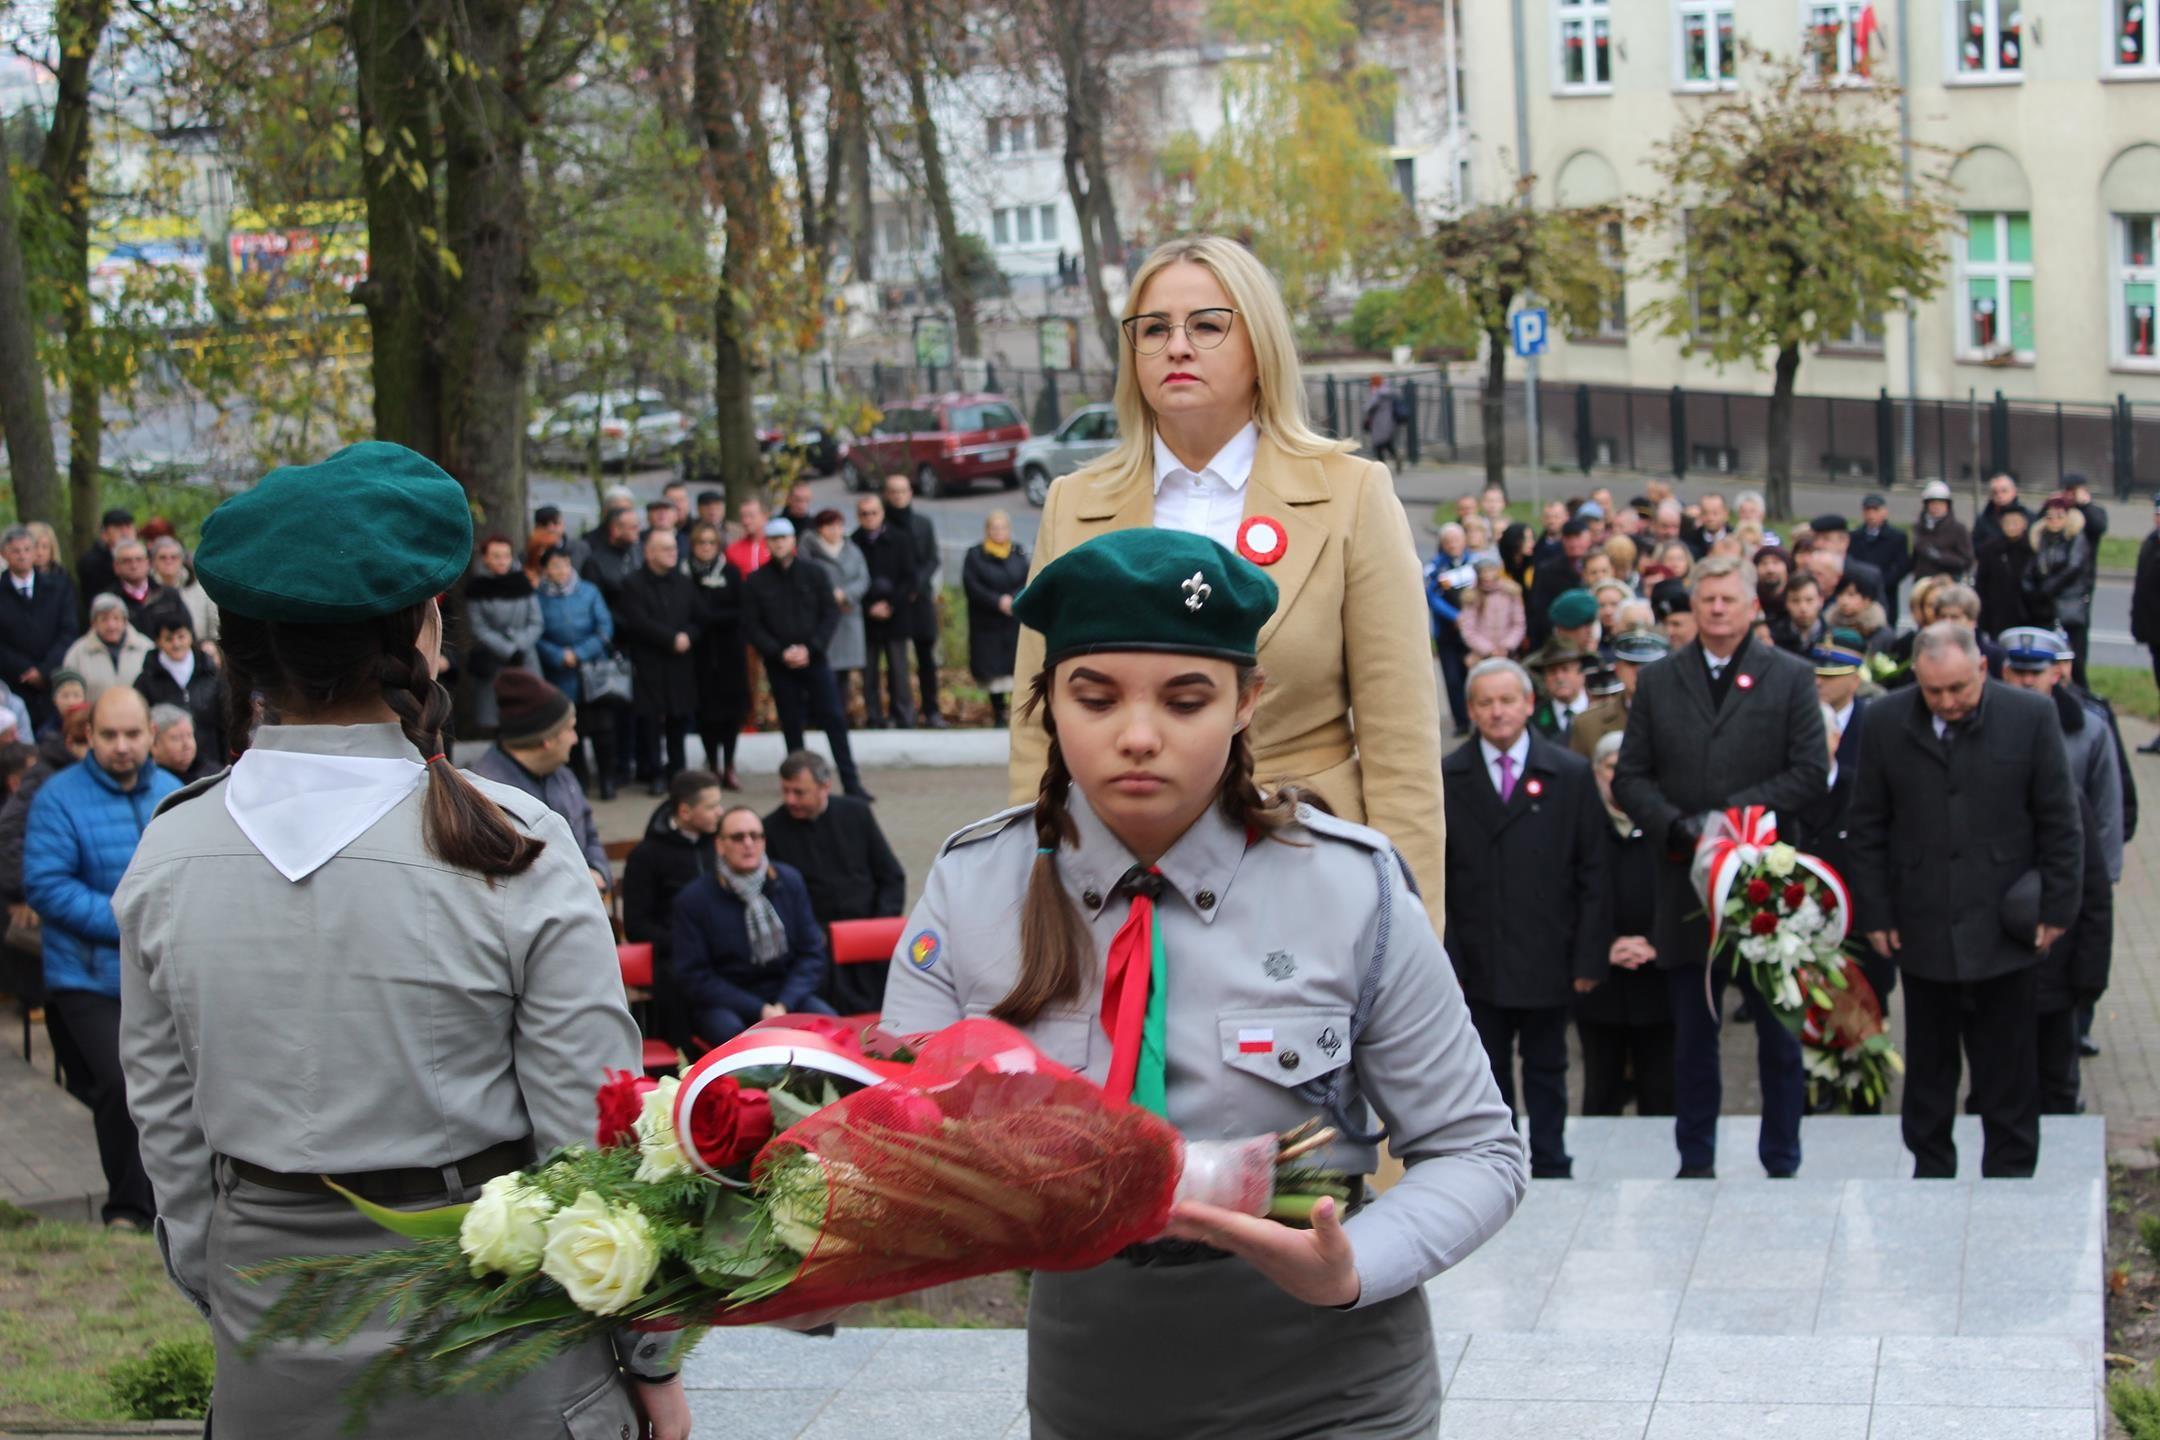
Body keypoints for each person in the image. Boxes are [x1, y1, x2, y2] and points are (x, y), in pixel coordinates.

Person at [884, 526, 1525, 1437]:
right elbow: (896, 1144)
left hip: (1335, 1385)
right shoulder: (971, 885)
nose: (1138, 737)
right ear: (1048, 705)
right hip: (1093, 1379)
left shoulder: (1349, 884)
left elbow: (1478, 1150)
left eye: (1186, 701)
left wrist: (1352, 1267)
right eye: (1094, 698)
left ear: (1245, 702)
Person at [115, 443, 681, 1439]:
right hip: (501, 1345)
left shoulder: (167, 854)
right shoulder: (517, 847)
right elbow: (592, 1147)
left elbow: (169, 1142)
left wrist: (235, 1304)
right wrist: (650, 1357)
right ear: (426, 633)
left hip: (271, 1342)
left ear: (245, 649)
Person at [1008, 235, 1447, 927]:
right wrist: (1034, 886)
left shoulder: (1351, 495)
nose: (1176, 347)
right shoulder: (1073, 502)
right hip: (1120, 877)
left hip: (1304, 869)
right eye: (1154, 329)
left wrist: (1413, 931)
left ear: (1260, 346)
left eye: (1207, 325)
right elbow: (1038, 726)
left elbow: (1402, 746)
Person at [1613, 555, 1828, 1179]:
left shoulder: (1789, 677)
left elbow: (1811, 772)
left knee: (1777, 1036)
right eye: (1704, 600)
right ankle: (1695, 1160)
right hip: (1686, 881)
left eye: (1728, 600)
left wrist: (1733, 819)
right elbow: (1630, 776)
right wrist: (1679, 825)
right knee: (1694, 1038)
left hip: (1764, 885)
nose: (1715, 609)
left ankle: (1782, 1157)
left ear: (1753, 605)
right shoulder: (1658, 681)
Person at [1845, 622, 2081, 1180]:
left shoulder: (2031, 717)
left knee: (2007, 1069)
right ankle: (1931, 1172)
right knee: (1928, 1069)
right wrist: (1875, 911)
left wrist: (2056, 909)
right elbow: (1869, 824)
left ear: (1982, 669)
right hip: (1922, 928)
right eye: (1934, 692)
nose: (1948, 702)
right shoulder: (1883, 721)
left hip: (2007, 930)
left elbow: (2060, 824)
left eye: (1958, 689)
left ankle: (2011, 1174)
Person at [1443, 658, 1606, 1179]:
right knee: (1487, 1070)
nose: (1497, 712)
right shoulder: (1447, 776)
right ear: (1470, 709)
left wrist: (1588, 956)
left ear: (1529, 704)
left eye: (1507, 700)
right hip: (1476, 953)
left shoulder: (1571, 773)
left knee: (1548, 1065)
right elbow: (1437, 877)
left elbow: (1593, 872)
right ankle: (1500, 1165)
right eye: (1485, 702)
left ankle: (1554, 1159)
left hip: (1547, 951)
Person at [25, 687, 177, 1230]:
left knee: (174, 1088)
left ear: (151, 737)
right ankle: (127, 1209)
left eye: (132, 735)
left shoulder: (173, 792)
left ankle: (173, 1205)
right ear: (88, 736)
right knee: (119, 1085)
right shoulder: (57, 798)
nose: (121, 746)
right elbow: (45, 884)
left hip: (162, 976)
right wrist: (126, 921)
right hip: (87, 978)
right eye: (109, 735)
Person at [667, 803, 835, 1044]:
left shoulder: (789, 881)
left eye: (755, 836)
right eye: (738, 837)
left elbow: (811, 953)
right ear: (719, 845)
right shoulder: (694, 900)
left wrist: (783, 1003)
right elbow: (696, 977)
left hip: (784, 995)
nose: (748, 843)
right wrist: (759, 1009)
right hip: (727, 1001)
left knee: (831, 1029)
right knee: (738, 1041)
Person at [1575, 730, 1674, 1117]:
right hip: (1601, 980)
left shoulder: (1665, 823)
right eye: (1610, 767)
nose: (1618, 777)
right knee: (1602, 1088)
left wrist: (1656, 943)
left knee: (1663, 1088)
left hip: (1658, 976)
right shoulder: (1581, 823)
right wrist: (1604, 947)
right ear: (1596, 772)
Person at [763, 750, 906, 1013]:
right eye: (785, 791)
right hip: (819, 949)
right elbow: (774, 899)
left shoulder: (857, 814)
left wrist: (877, 926)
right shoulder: (771, 829)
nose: (789, 800)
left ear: (824, 787)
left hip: (868, 940)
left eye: (799, 792)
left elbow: (891, 877)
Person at [741, 517, 867, 798]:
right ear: (768, 543)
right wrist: (779, 651)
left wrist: (812, 648)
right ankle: (798, 787)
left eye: (784, 538)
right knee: (791, 724)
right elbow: (752, 625)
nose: (779, 544)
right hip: (780, 663)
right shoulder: (757, 581)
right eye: (773, 539)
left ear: (793, 541)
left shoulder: (815, 573)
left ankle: (852, 783)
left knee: (834, 719)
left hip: (815, 659)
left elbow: (830, 613)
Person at [1999, 628, 2123, 888]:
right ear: (2005, 673)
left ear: (2056, 674)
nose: (2028, 682)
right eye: (2020, 672)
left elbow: (2106, 809)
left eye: (2036, 672)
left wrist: (2102, 879)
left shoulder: (2090, 729)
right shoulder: (1986, 724)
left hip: (2067, 869)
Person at [467, 671, 614, 892]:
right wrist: (578, 886)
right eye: (570, 729)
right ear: (547, 739)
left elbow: (589, 832)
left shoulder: (562, 774)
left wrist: (597, 869)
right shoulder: (489, 797)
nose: (575, 739)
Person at [621, 768, 723, 1049]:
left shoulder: (720, 844)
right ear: (685, 812)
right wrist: (688, 941)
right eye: (712, 807)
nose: (720, 813)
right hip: (674, 958)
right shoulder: (647, 856)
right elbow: (637, 925)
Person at [535, 544, 623, 798]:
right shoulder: (539, 597)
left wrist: (581, 653)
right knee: (570, 729)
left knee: (603, 728)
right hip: (561, 672)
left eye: (564, 564)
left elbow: (605, 627)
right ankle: (579, 781)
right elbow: (537, 634)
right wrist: (559, 656)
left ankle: (608, 779)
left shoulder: (589, 591)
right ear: (546, 569)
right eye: (554, 565)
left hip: (593, 670)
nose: (561, 570)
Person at [618, 528, 700, 793]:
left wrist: (687, 635)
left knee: (678, 720)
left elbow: (698, 617)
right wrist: (670, 639)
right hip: (650, 661)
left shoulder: (685, 582)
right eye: (666, 549)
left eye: (674, 548)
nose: (673, 553)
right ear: (649, 552)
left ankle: (678, 772)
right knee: (650, 721)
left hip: (681, 662)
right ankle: (654, 773)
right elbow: (637, 621)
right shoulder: (633, 583)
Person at [682, 522, 749, 789]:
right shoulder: (685, 575)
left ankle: (730, 764)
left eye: (711, 542)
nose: (706, 548)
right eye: (701, 543)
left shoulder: (730, 573)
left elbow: (740, 611)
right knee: (706, 715)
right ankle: (712, 765)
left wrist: (708, 618)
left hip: (729, 655)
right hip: (698, 656)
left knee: (731, 714)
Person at [882, 473, 946, 728]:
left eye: (903, 490)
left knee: (926, 659)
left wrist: (916, 586)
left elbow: (933, 559)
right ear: (887, 494)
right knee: (895, 661)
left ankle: (931, 710)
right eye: (893, 491)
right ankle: (900, 713)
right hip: (895, 602)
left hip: (920, 600)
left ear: (910, 493)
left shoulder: (923, 523)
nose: (898, 496)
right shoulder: (883, 525)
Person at [0, 524, 78, 732]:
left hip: (53, 680)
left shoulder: (58, 586)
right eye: (16, 551)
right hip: (15, 681)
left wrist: (43, 671)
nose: (22, 556)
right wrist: (24, 670)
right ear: (4, 554)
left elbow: (68, 630)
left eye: (27, 550)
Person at [462, 534, 543, 731]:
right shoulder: (477, 588)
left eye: (506, 555)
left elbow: (536, 621)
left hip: (525, 657)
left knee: (531, 713)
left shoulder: (522, 582)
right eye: (496, 556)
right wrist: (507, 649)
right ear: (485, 558)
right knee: (497, 719)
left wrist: (519, 644)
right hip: (494, 660)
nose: (502, 561)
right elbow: (478, 627)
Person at [853, 493, 919, 728]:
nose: (869, 517)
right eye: (864, 513)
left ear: (882, 514)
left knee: (898, 671)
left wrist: (890, 605)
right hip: (867, 618)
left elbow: (910, 578)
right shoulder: (853, 542)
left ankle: (903, 715)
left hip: (896, 615)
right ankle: (874, 715)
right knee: (869, 672)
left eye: (873, 512)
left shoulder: (900, 539)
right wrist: (869, 607)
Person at [132, 605, 225, 769]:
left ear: (190, 635)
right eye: (169, 639)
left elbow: (225, 721)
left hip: (211, 762)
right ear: (158, 642)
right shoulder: (146, 681)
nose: (176, 644)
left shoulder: (211, 673)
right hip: (165, 766)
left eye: (181, 637)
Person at [801, 509, 869, 731]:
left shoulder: (852, 550)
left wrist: (846, 594)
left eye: (839, 526)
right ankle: (818, 715)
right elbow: (805, 580)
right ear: (820, 529)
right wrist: (828, 596)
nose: (835, 531)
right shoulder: (808, 551)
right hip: (822, 618)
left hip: (848, 615)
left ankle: (840, 714)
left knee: (843, 674)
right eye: (830, 526)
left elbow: (863, 578)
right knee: (822, 669)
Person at [963, 511, 1029, 727]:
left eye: (1002, 527)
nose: (999, 532)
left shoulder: (1019, 553)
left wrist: (1013, 600)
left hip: (1013, 621)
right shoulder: (975, 555)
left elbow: (1028, 579)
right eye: (994, 528)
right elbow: (972, 585)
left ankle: (1016, 713)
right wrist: (997, 601)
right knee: (993, 673)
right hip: (987, 622)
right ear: (987, 530)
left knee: (1015, 670)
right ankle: (998, 713)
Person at [2022, 495, 2095, 687]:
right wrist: (2031, 590)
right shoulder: (2041, 540)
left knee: (2074, 660)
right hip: (2045, 609)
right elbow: (2031, 570)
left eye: (2059, 516)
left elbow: (2074, 566)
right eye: (2050, 516)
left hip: (2069, 607)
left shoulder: (2076, 539)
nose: (2054, 521)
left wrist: (2049, 586)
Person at [1425, 524, 1475, 734]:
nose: (1453, 544)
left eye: (1457, 539)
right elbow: (1432, 596)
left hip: (1473, 632)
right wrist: (1455, 617)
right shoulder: (1435, 567)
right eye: (1448, 541)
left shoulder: (1474, 562)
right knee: (1453, 679)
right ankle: (1461, 722)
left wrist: (1469, 618)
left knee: (1472, 676)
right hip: (1447, 633)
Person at [64, 594, 155, 704]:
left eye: (116, 618)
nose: (111, 625)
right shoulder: (77, 653)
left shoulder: (146, 648)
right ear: (94, 623)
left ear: (125, 620)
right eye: (104, 619)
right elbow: (69, 694)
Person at [1526, 519, 1591, 649]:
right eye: (1568, 538)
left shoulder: (1600, 566)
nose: (1573, 543)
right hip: (1557, 639)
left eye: (1577, 537)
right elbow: (1538, 611)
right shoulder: (1546, 570)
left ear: (1588, 537)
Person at [1850, 494, 1911, 623]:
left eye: (1875, 510)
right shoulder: (1855, 537)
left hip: (1886, 592)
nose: (1871, 515)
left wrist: (1883, 582)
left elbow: (1902, 566)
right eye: (1868, 510)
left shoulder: (1897, 537)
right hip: (1859, 592)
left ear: (1884, 512)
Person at [148, 536, 218, 645]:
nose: (168, 561)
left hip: (199, 648)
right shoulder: (147, 591)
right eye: (163, 557)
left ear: (181, 560)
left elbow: (215, 628)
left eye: (174, 557)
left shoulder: (200, 590)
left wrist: (211, 645)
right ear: (153, 561)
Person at [1457, 559, 1525, 669]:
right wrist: (1488, 649)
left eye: (1490, 571)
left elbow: (1519, 623)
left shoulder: (1511, 592)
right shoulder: (1472, 596)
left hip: (1508, 652)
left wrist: (1506, 646)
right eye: (1484, 572)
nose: (1487, 576)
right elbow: (1468, 628)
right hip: (1481, 655)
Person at [103, 539, 175, 638]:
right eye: (127, 561)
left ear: (148, 563)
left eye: (139, 559)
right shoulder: (108, 600)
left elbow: (186, 630)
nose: (134, 565)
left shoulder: (169, 594)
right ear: (116, 566)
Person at [1910, 479, 1975, 584]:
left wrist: (1940, 557)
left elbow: (1966, 561)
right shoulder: (1919, 528)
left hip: (1950, 584)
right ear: (1926, 505)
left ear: (1947, 506)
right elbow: (1914, 560)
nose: (1936, 507)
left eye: (1940, 503)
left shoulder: (1958, 529)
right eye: (1932, 503)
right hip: (1924, 583)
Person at [74, 508, 134, 622]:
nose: (125, 533)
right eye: (118, 528)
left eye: (129, 527)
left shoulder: (145, 557)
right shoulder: (91, 563)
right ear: (104, 534)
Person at [148, 702, 210, 783]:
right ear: (153, 744)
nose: (187, 745)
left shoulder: (212, 773)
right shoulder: (151, 784)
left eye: (189, 735)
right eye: (176, 738)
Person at [1971, 471, 2031, 551]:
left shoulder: (2027, 516)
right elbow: (1976, 547)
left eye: (2004, 491)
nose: (1999, 496)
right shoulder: (1983, 519)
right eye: (1995, 492)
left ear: (2014, 492)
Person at [725, 497, 774, 576]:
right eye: (742, 516)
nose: (746, 521)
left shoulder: (780, 545)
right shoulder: (732, 550)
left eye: (751, 516)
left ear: (765, 516)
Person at [1362, 374, 1400, 467]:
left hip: (1378, 422)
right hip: (1389, 420)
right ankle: (1395, 457)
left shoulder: (1378, 393)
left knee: (1378, 444)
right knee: (1387, 442)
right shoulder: (1388, 391)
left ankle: (1382, 465)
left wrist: (1364, 408)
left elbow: (1369, 406)